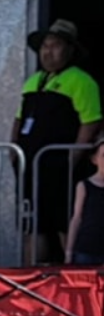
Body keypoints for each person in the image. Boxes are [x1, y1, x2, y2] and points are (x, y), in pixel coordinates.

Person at [11, 18, 102, 261]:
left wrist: (72, 157)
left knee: (65, 223)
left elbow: (91, 121)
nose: (48, 51)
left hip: (60, 167)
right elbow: (19, 118)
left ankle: (73, 275)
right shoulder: (33, 81)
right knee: (33, 226)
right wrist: (13, 150)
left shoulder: (82, 81)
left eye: (55, 45)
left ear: (70, 50)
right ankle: (32, 276)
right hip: (31, 166)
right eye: (45, 46)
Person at [65, 136, 104, 265]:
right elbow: (76, 218)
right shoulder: (84, 185)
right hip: (87, 249)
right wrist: (69, 252)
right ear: (95, 159)